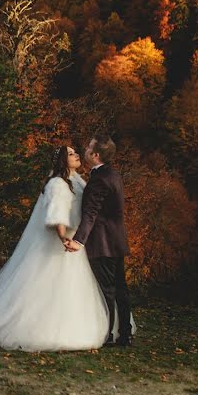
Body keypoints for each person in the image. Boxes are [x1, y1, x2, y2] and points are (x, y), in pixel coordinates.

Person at [0, 146, 110, 351]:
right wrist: (63, 237)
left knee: (69, 287)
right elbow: (57, 212)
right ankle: (42, 330)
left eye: (75, 152)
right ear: (63, 161)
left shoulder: (77, 181)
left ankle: (71, 326)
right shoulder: (57, 183)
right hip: (59, 243)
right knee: (49, 285)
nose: (76, 155)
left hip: (74, 242)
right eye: (71, 154)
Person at [66, 135, 133, 346]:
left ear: (95, 155)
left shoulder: (98, 180)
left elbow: (91, 213)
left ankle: (108, 336)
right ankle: (125, 334)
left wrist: (79, 240)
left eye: (88, 148)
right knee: (121, 288)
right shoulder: (114, 174)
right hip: (117, 239)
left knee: (107, 290)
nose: (84, 150)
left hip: (102, 242)